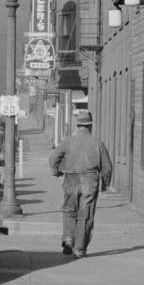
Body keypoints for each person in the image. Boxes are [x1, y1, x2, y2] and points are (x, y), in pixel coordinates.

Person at [48, 110, 113, 259]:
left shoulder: (68, 141)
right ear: (90, 126)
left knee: (69, 210)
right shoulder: (98, 143)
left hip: (71, 178)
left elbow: (53, 157)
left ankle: (68, 238)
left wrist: (56, 172)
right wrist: (105, 183)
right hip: (90, 180)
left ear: (77, 125)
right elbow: (107, 168)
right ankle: (79, 249)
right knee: (86, 214)